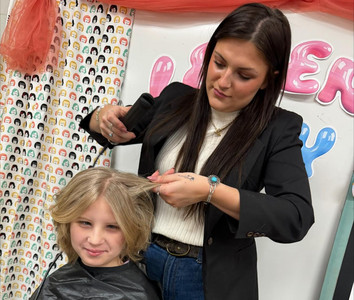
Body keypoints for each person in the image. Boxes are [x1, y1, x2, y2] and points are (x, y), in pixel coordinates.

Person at [79, 3, 314, 300]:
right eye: (219, 63)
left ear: (269, 78)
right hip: (141, 264)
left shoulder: (278, 129)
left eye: (244, 75)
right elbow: (111, 132)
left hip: (206, 279)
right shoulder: (177, 99)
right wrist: (101, 119)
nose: (223, 82)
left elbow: (295, 217)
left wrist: (210, 192)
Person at [30, 167, 162, 300]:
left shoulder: (138, 294)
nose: (95, 240)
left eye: (112, 227)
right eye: (85, 223)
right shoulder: (54, 284)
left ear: (132, 229)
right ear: (67, 222)